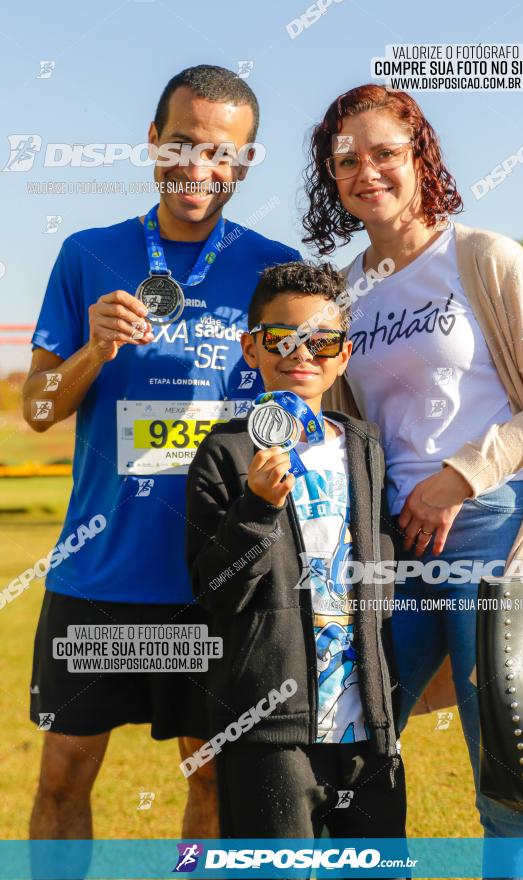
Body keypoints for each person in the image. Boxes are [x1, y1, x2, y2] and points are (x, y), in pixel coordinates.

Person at [302, 85, 523, 874]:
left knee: (509, 766)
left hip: (493, 530)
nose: (368, 171)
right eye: (346, 160)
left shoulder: (483, 258)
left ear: (419, 156)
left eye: (386, 152)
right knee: (350, 744)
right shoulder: (342, 292)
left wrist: (458, 477)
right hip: (387, 543)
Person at [22, 64, 300, 846]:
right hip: (102, 572)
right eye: (182, 144)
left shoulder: (272, 269)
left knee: (212, 776)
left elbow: (309, 399)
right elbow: (39, 412)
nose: (198, 168)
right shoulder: (89, 254)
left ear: (244, 163)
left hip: (216, 577)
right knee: (62, 779)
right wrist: (93, 352)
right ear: (152, 141)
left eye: (222, 154)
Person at [185, 261, 407, 842]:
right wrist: (256, 507)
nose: (299, 353)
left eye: (320, 340)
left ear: (344, 354)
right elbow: (217, 589)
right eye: (280, 338)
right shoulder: (226, 454)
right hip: (270, 726)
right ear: (250, 348)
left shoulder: (364, 447)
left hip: (368, 729)